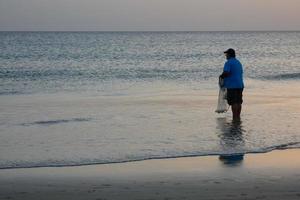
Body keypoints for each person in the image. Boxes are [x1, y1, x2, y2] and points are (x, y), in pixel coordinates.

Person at [219, 48, 244, 121]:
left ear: (229, 55)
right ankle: (238, 117)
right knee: (239, 102)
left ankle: (234, 118)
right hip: (240, 85)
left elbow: (226, 72)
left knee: (234, 102)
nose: (226, 56)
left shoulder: (228, 62)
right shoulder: (238, 62)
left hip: (232, 85)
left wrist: (221, 76)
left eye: (226, 54)